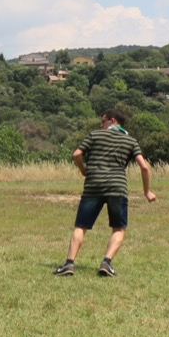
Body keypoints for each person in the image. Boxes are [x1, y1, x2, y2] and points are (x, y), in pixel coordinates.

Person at [54, 109, 156, 277]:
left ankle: (69, 264)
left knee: (81, 226)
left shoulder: (95, 135)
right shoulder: (130, 141)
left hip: (93, 185)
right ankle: (106, 263)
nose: (101, 124)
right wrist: (147, 191)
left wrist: (83, 169)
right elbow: (144, 167)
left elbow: (77, 154)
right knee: (119, 228)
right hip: (117, 187)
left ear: (112, 120)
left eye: (103, 121)